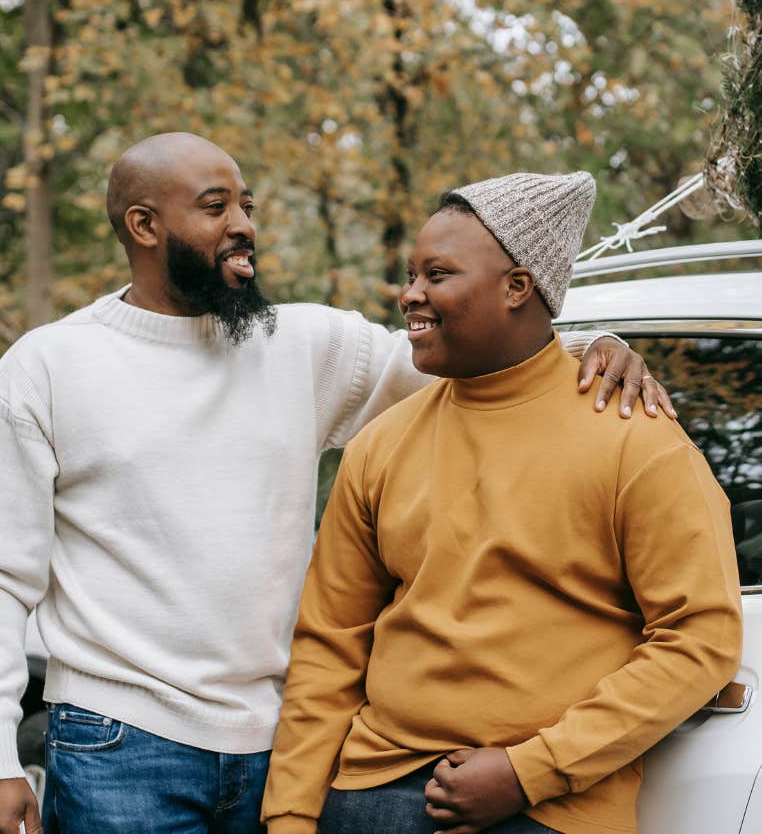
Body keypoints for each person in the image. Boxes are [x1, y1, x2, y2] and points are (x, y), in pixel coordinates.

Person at [0, 136, 672, 834]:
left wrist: (592, 346)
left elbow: (475, 352)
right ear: (143, 226)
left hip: (282, 746)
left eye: (247, 205)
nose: (244, 226)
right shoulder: (48, 367)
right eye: (215, 207)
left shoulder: (301, 345)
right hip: (120, 744)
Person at [261, 172, 742, 834]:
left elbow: (702, 638)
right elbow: (329, 646)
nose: (410, 295)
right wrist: (290, 816)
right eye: (411, 274)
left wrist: (528, 772)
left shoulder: (637, 441)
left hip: (544, 809)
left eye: (438, 274)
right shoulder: (380, 446)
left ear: (517, 287)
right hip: (366, 796)